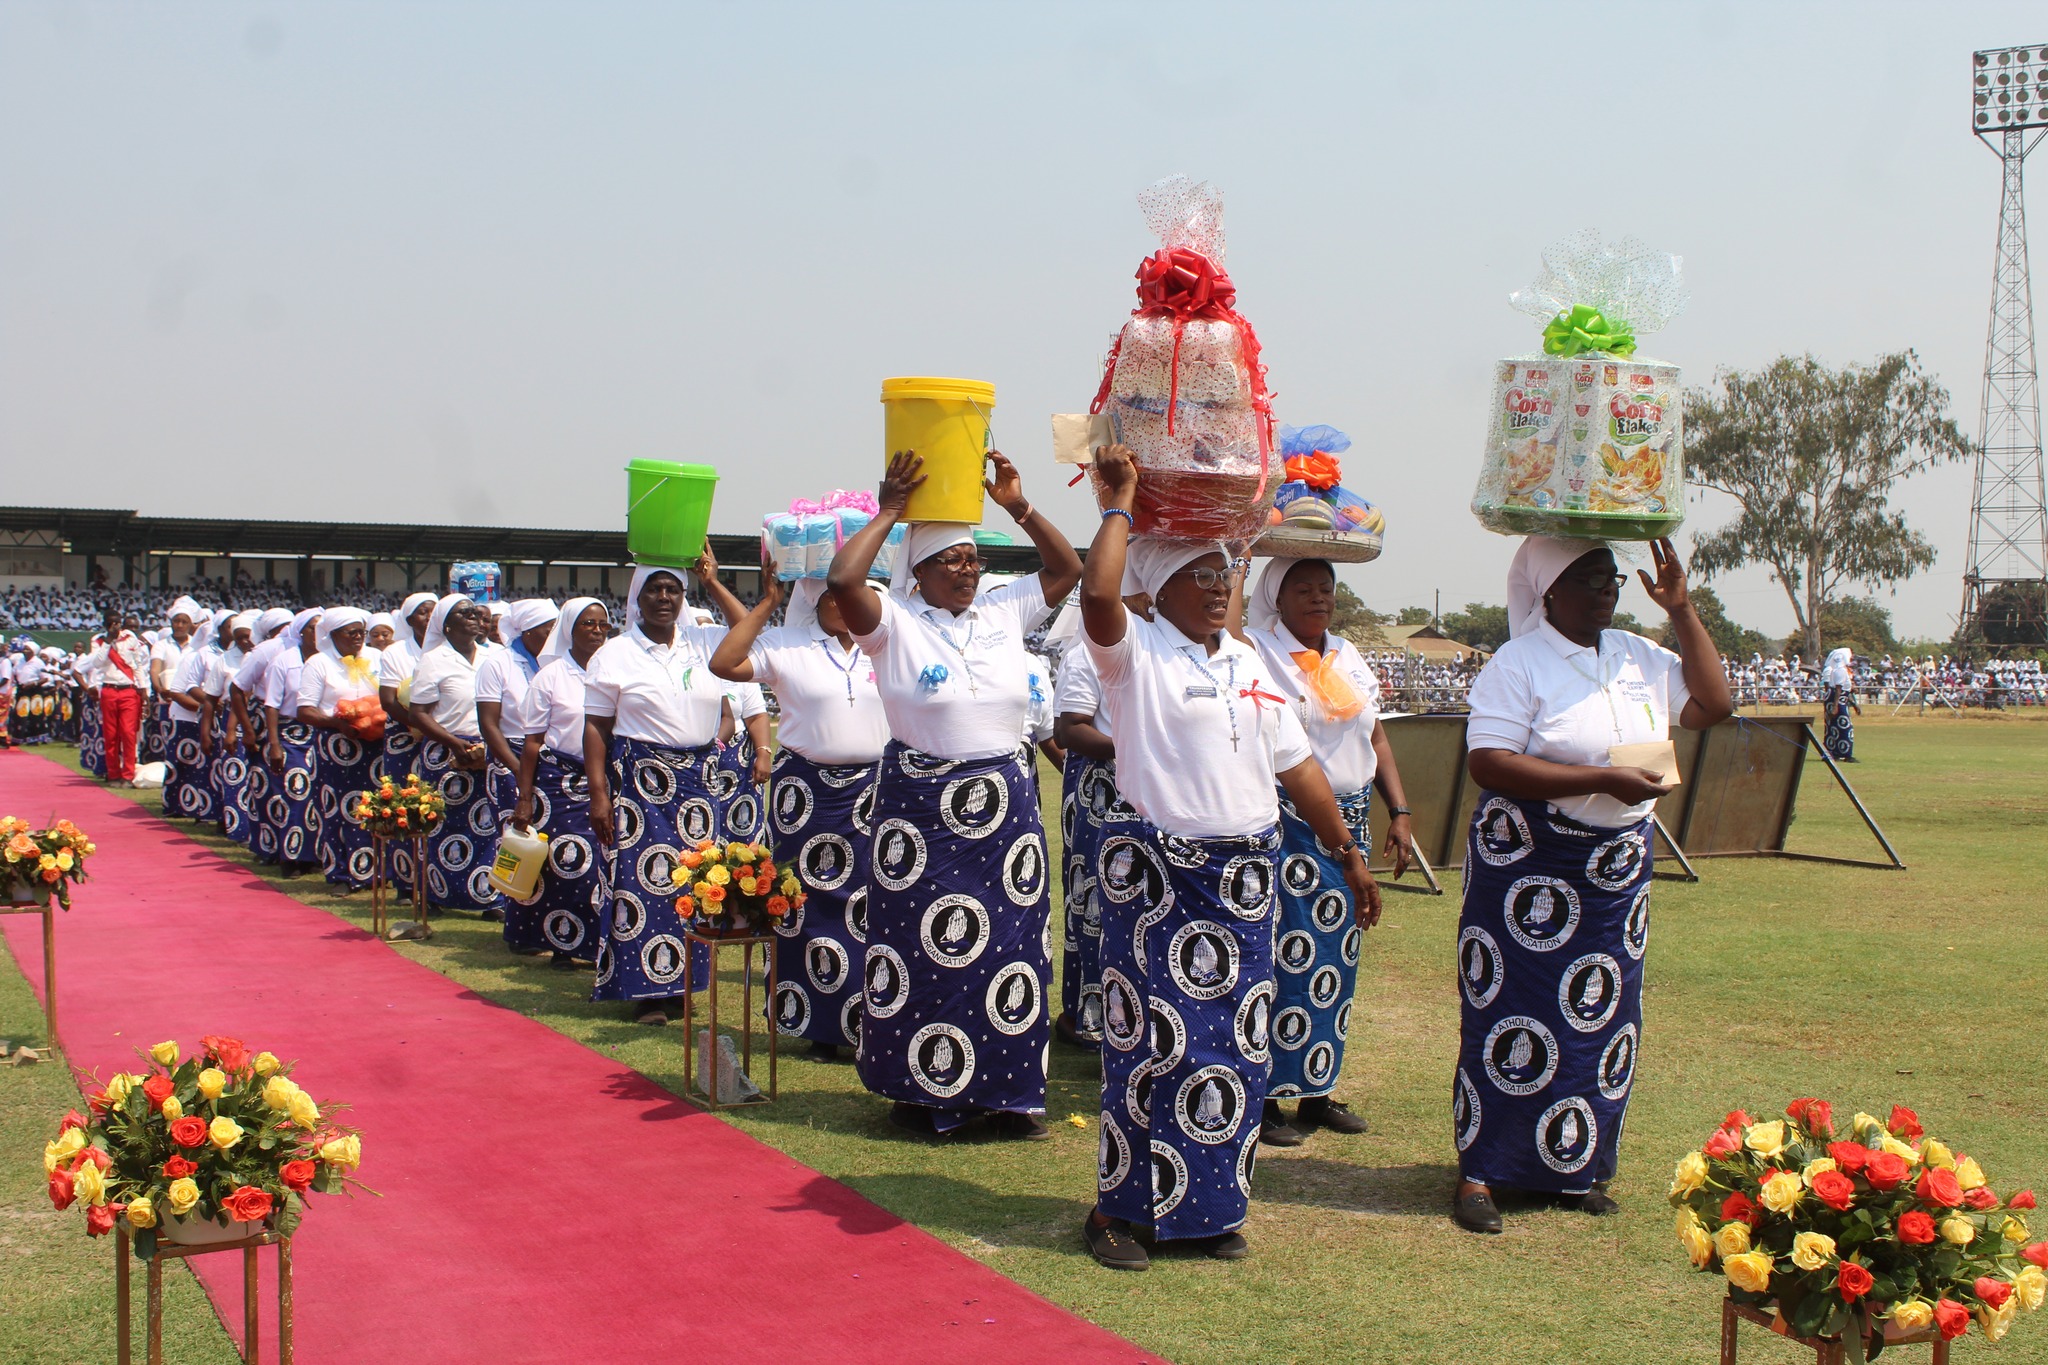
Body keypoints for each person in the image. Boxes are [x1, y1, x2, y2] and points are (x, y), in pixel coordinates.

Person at [1075, 444, 1377, 1271]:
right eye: (1199, 574)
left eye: (1225, 576)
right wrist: (1121, 502)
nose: (1217, 587)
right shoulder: (1135, 656)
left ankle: (1207, 1208)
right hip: (1160, 879)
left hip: (1247, 882)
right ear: (1161, 584)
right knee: (1152, 1045)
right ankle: (1117, 1212)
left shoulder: (1248, 663)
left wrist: (1347, 851)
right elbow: (1097, 592)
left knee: (1234, 1049)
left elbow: (1300, 768)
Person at [1450, 536, 1731, 1234]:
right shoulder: (1519, 662)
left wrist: (1683, 608)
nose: (1607, 589)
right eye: (1588, 577)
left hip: (1614, 874)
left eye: (1611, 577)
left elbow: (1713, 703)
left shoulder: (1636, 654)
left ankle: (1572, 1166)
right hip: (1529, 867)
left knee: (1599, 1016)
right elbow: (1490, 761)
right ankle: (1483, 1171)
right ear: (1548, 592)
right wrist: (1601, 778)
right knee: (1508, 1010)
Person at [825, 449, 1082, 1139]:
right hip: (920, 811)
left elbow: (1067, 570)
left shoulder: (1002, 612)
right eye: (952, 560)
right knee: (921, 947)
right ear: (919, 570)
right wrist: (889, 511)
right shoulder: (891, 622)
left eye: (973, 559)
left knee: (1009, 947)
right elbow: (843, 577)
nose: (968, 570)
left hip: (1005, 808)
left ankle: (1008, 1092)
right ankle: (920, 1090)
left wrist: (1018, 507)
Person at [1242, 557, 1416, 1146]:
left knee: (1334, 961)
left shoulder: (1347, 653)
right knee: (1281, 952)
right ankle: (1264, 1095)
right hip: (1291, 819)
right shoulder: (1259, 649)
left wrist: (1400, 810)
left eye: (1326, 589)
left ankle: (1316, 1088)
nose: (1318, 599)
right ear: (1277, 595)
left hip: (1355, 818)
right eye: (1303, 589)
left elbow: (1376, 735)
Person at [711, 572, 890, 1061]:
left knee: (872, 901)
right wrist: (769, 601)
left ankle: (868, 1017)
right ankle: (815, 1022)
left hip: (875, 788)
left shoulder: (888, 643)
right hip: (806, 793)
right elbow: (723, 662)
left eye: (857, 593)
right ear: (816, 600)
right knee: (802, 901)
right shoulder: (789, 645)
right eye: (833, 595)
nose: (845, 603)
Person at [581, 546, 751, 1024]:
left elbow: (748, 629)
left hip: (699, 780)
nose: (663, 597)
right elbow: (595, 727)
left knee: (700, 880)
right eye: (654, 589)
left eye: (673, 589)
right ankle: (647, 992)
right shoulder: (615, 654)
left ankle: (684, 984)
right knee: (646, 882)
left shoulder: (703, 641)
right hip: (642, 783)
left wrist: (713, 582)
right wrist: (599, 794)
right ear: (637, 598)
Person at [1047, 594, 1149, 1049]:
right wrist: (1139, 745)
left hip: (1148, 781)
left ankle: (1136, 1018)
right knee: (1094, 905)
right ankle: (1085, 1019)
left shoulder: (1163, 646)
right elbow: (1070, 730)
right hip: (1098, 789)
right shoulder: (1086, 650)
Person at [511, 597, 615, 968]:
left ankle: (598, 945)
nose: (597, 631)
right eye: (588, 624)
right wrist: (524, 798)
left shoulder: (615, 669)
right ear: (569, 629)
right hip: (560, 781)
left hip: (607, 778)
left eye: (603, 624)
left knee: (604, 864)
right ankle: (563, 944)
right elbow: (533, 743)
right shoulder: (550, 677)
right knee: (567, 864)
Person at [408, 595, 505, 918]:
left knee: (487, 824)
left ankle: (487, 897)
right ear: (446, 624)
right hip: (445, 749)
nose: (476, 617)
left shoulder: (494, 656)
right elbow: (418, 712)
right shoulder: (434, 660)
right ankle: (435, 893)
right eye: (466, 613)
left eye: (477, 612)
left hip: (486, 747)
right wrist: (452, 742)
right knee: (442, 824)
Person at [477, 598, 560, 946]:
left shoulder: (557, 662)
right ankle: (513, 916)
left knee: (550, 845)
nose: (554, 634)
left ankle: (546, 920)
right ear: (528, 631)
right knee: (515, 840)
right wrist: (518, 770)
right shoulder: (498, 664)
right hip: (510, 755)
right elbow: (489, 724)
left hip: (552, 759)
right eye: (548, 628)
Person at [295, 607, 385, 889]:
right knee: (337, 810)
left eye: (362, 632)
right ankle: (340, 874)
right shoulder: (319, 663)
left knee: (374, 807)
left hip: (373, 744)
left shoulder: (376, 657)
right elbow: (305, 710)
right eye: (352, 633)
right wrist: (336, 723)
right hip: (337, 744)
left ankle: (373, 872)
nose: (359, 638)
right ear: (333, 635)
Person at [260, 608, 324, 873]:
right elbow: (272, 705)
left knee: (318, 796)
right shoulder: (284, 661)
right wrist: (274, 744)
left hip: (320, 733)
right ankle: (291, 856)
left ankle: (314, 855)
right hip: (291, 734)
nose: (318, 634)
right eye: (313, 628)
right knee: (296, 793)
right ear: (301, 631)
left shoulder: (328, 660)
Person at [159, 607, 219, 821]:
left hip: (208, 718)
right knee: (181, 763)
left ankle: (199, 807)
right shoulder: (192, 657)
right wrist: (203, 708)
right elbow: (177, 691)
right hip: (186, 716)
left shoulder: (219, 658)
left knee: (202, 766)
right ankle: (175, 805)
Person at [84, 613, 151, 786]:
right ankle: (113, 773)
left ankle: (127, 775)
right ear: (106, 625)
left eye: (117, 623)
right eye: (110, 623)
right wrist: (108, 642)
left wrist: (143, 689)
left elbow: (137, 665)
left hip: (129, 690)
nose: (115, 626)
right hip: (109, 689)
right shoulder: (98, 641)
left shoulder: (130, 638)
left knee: (129, 734)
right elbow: (97, 663)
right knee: (111, 734)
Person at [1820, 647, 1859, 761]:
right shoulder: (1840, 670)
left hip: (1838, 698)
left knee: (1833, 727)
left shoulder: (1837, 670)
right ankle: (1845, 753)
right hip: (1839, 700)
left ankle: (1833, 752)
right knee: (1845, 726)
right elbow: (1838, 689)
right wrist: (1835, 706)